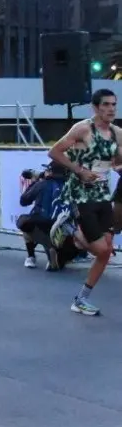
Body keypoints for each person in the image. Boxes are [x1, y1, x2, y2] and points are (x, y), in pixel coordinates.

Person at [48, 88, 122, 316]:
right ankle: (69, 227)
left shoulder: (117, 132)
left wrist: (117, 167)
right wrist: (79, 171)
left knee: (106, 251)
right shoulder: (82, 129)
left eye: (114, 104)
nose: (111, 109)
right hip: (81, 192)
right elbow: (55, 152)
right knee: (101, 249)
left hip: (102, 192)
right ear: (96, 107)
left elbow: (118, 160)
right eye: (106, 105)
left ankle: (81, 299)